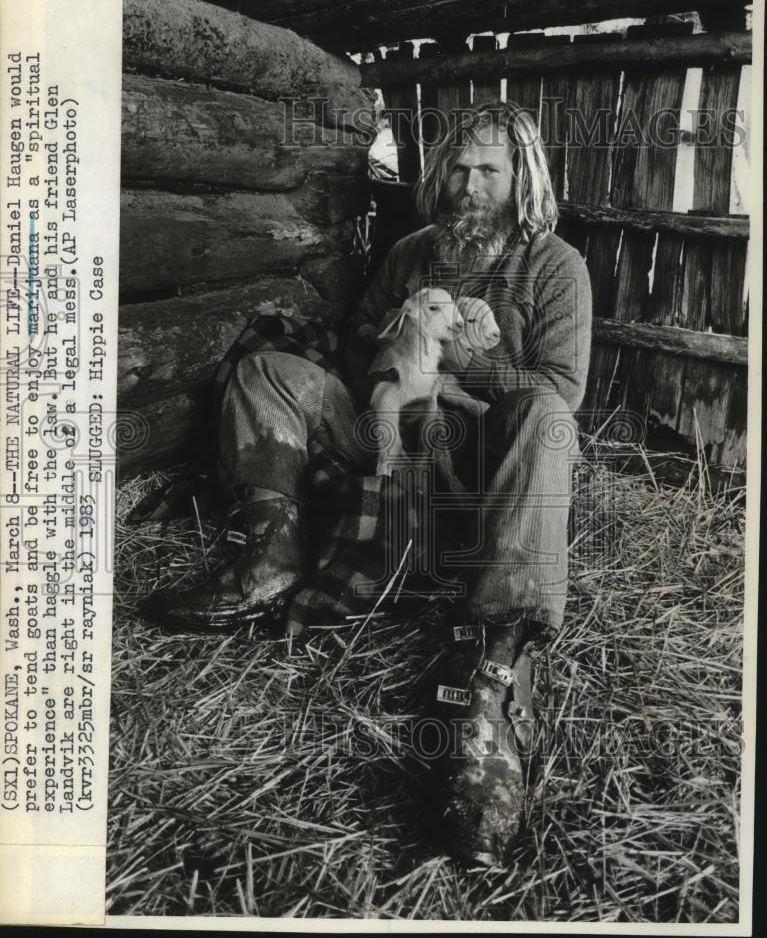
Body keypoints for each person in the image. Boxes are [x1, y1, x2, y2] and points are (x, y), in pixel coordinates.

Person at [141, 100, 592, 866]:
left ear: (522, 178)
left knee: (544, 413)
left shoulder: (554, 266)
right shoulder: (413, 251)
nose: (466, 183)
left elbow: (561, 387)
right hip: (389, 431)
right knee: (268, 370)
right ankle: (270, 550)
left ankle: (495, 657)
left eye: (487, 168)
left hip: (481, 456)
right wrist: (394, 371)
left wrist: (457, 364)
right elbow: (357, 342)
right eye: (456, 166)